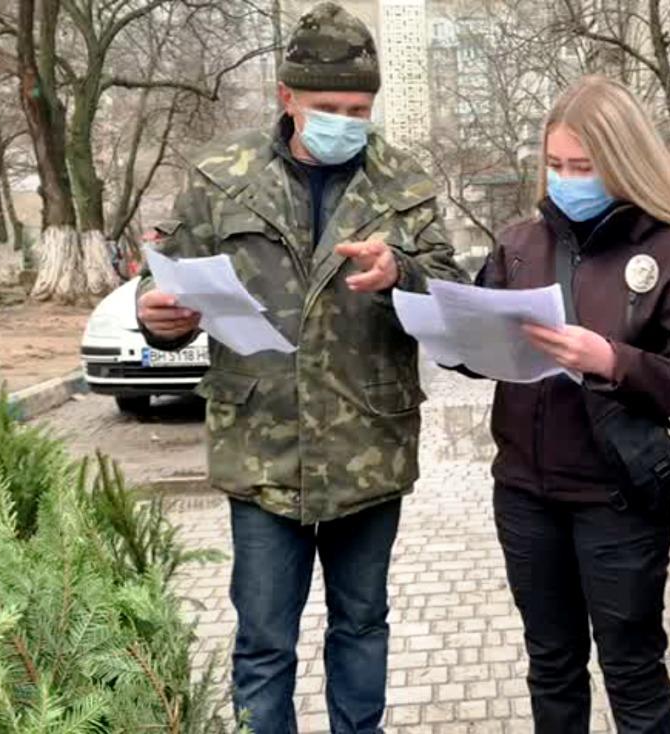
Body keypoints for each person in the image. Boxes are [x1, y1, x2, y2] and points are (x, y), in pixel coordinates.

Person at [135, 4, 465, 732]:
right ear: (287, 97)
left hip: (367, 444)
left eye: (360, 108)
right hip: (261, 447)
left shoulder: (401, 180)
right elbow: (166, 281)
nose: (347, 121)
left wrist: (401, 272)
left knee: (361, 627)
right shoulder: (221, 176)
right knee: (262, 643)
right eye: (329, 107)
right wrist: (156, 317)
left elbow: (448, 286)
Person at [464, 76, 670, 733]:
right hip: (526, 491)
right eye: (555, 165)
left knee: (632, 668)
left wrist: (612, 360)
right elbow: (474, 342)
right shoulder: (520, 243)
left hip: (618, 497)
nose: (565, 179)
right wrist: (460, 336)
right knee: (551, 665)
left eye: (582, 167)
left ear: (622, 162)